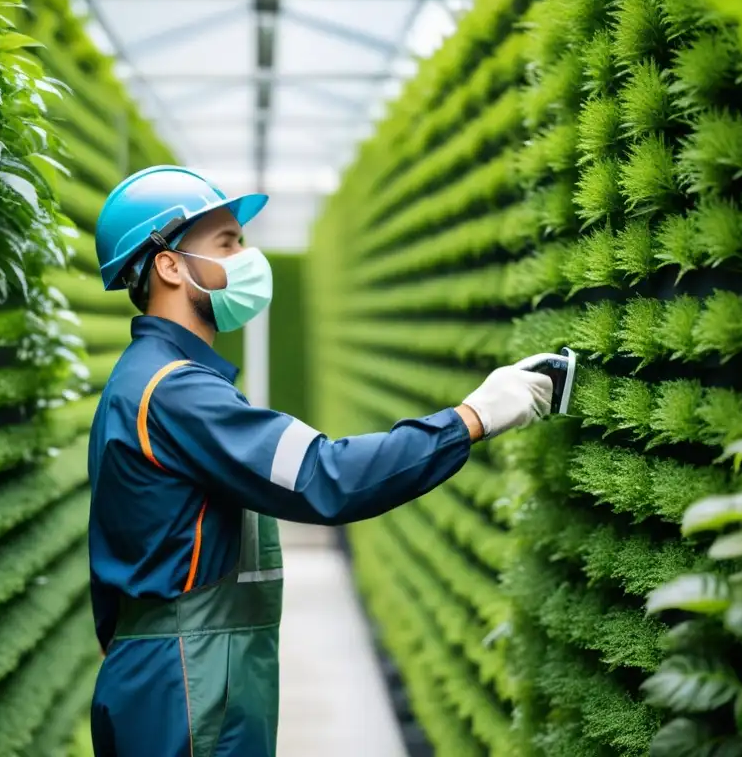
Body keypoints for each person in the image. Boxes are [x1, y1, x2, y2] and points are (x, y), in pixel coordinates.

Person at [86, 165, 554, 757]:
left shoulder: (146, 381)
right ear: (170, 266)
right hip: (188, 678)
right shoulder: (177, 391)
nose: (246, 256)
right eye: (228, 242)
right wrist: (470, 419)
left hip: (172, 671)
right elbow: (322, 476)